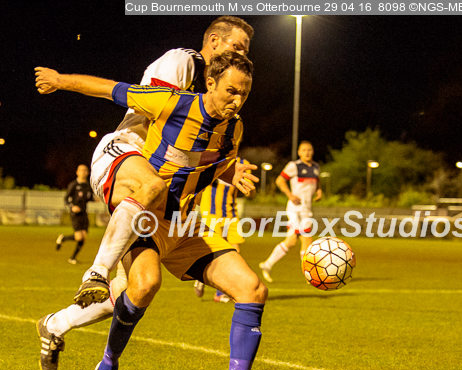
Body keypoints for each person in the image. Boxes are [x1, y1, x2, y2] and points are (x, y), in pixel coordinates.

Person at [35, 52, 272, 370]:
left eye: (244, 93)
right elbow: (110, 89)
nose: (237, 100)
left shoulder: (234, 128)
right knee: (145, 285)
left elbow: (211, 164)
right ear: (210, 83)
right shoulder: (171, 102)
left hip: (185, 225)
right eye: (231, 91)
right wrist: (59, 79)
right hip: (146, 219)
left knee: (253, 289)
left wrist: (233, 174)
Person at [74, 15, 253, 307]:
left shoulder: (215, 92)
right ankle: (96, 272)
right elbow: (155, 110)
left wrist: (227, 169)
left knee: (136, 287)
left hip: (160, 178)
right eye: (237, 46)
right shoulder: (183, 61)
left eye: (246, 50)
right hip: (130, 151)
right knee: (152, 189)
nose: (242, 54)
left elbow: (191, 148)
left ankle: (56, 324)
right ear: (213, 41)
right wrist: (59, 81)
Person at [259, 141, 322, 282]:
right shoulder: (294, 166)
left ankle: (267, 265)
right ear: (299, 152)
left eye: (309, 150)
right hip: (296, 209)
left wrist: (319, 191)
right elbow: (279, 180)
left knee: (292, 241)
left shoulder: (316, 167)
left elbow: (317, 181)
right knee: (307, 239)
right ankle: (308, 274)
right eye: (304, 150)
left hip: (307, 209)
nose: (307, 152)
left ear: (313, 151)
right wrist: (290, 195)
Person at [194, 155, 250, 303]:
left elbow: (248, 190)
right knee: (218, 252)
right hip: (211, 212)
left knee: (235, 252)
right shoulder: (213, 158)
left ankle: (217, 288)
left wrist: (249, 188)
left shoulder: (243, 164)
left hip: (231, 214)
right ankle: (214, 287)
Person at [55, 164, 94, 264]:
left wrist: (94, 199)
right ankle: (63, 238)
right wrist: (72, 206)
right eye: (81, 170)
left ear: (88, 172)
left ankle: (73, 258)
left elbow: (88, 198)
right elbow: (66, 199)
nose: (83, 172)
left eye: (85, 170)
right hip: (75, 214)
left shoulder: (88, 186)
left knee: (83, 237)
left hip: (84, 213)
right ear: (77, 172)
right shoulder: (73, 185)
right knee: (79, 237)